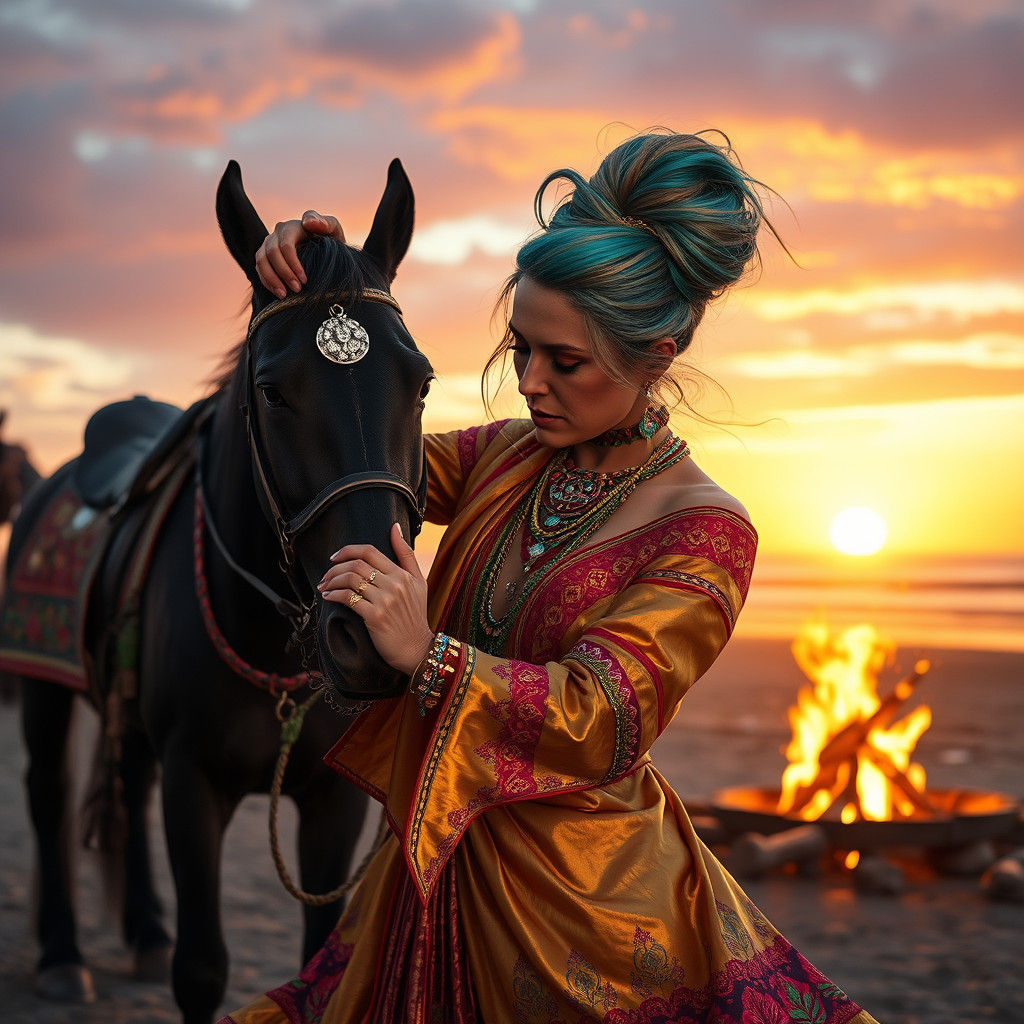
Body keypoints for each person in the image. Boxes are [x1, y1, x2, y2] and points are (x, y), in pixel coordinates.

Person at [220, 131, 877, 1023]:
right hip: (428, 870)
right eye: (519, 348)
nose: (530, 383)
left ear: (659, 352)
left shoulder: (706, 532)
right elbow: (344, 454)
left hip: (588, 921)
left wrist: (428, 654)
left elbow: (604, 719)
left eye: (564, 362)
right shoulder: (506, 455)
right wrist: (330, 294)